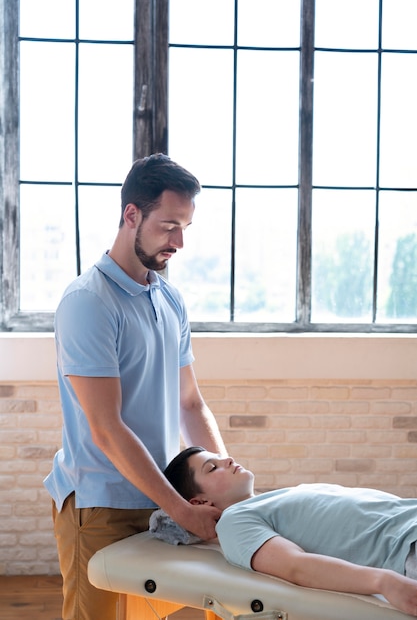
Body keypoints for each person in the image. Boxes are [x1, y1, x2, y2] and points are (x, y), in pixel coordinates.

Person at [44, 154, 227, 620]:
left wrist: (224, 487)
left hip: (159, 497)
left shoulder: (169, 298)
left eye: (185, 227)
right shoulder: (88, 302)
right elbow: (106, 428)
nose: (179, 241)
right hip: (101, 505)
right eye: (169, 226)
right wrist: (183, 512)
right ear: (131, 216)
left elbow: (190, 402)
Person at [163, 446, 417, 617]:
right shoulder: (234, 521)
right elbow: (296, 566)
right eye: (212, 467)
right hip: (407, 548)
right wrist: (384, 582)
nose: (228, 459)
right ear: (199, 502)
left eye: (220, 458)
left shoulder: (270, 501)